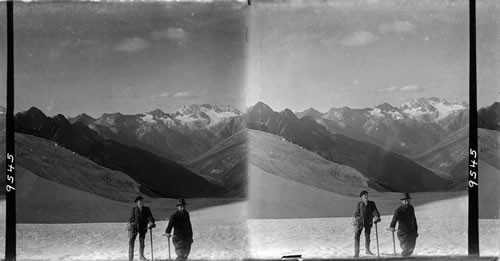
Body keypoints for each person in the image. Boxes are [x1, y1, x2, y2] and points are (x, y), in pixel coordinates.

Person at [353, 190, 381, 258]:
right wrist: (357, 218)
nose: (366, 196)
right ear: (362, 197)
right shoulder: (359, 204)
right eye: (364, 195)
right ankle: (356, 253)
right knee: (357, 237)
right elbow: (356, 213)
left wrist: (376, 216)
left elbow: (375, 211)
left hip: (368, 221)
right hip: (360, 222)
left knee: (367, 236)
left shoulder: (372, 203)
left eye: (367, 195)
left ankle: (367, 250)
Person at [389, 193, 418, 257]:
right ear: (402, 201)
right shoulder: (399, 210)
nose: (407, 202)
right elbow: (394, 219)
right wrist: (392, 226)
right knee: (405, 248)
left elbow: (414, 219)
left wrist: (416, 230)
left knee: (411, 248)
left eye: (408, 200)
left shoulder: (411, 208)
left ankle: (408, 257)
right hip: (403, 232)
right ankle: (404, 257)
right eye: (405, 201)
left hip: (411, 231)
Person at [129, 196, 155, 261]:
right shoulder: (134, 209)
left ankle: (141, 255)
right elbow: (131, 218)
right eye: (139, 201)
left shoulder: (147, 209)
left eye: (141, 201)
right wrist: (132, 222)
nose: (141, 202)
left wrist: (151, 222)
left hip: (143, 227)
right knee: (131, 241)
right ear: (137, 203)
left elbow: (150, 217)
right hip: (135, 227)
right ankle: (130, 257)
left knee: (142, 241)